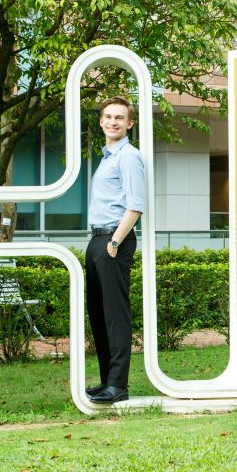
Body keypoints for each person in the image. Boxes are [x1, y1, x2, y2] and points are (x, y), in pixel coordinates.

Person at [84, 96, 146, 405]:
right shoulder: (108, 157)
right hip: (98, 239)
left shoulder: (128, 157)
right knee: (98, 314)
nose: (113, 122)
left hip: (114, 240)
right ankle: (107, 381)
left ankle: (118, 385)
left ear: (129, 123)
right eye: (108, 117)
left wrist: (115, 242)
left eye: (119, 118)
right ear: (101, 122)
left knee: (115, 315)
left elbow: (135, 204)